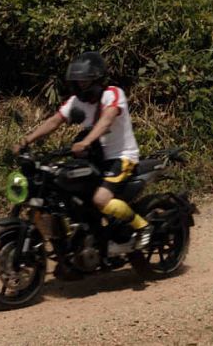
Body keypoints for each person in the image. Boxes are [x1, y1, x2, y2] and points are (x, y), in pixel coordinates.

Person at [16, 51, 149, 248]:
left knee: (100, 199)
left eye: (85, 81)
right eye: (78, 81)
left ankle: (142, 226)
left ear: (97, 79)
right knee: (62, 186)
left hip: (121, 158)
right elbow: (55, 121)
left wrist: (86, 141)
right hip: (94, 159)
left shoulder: (113, 94)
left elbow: (106, 120)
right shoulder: (76, 101)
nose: (81, 85)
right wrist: (27, 140)